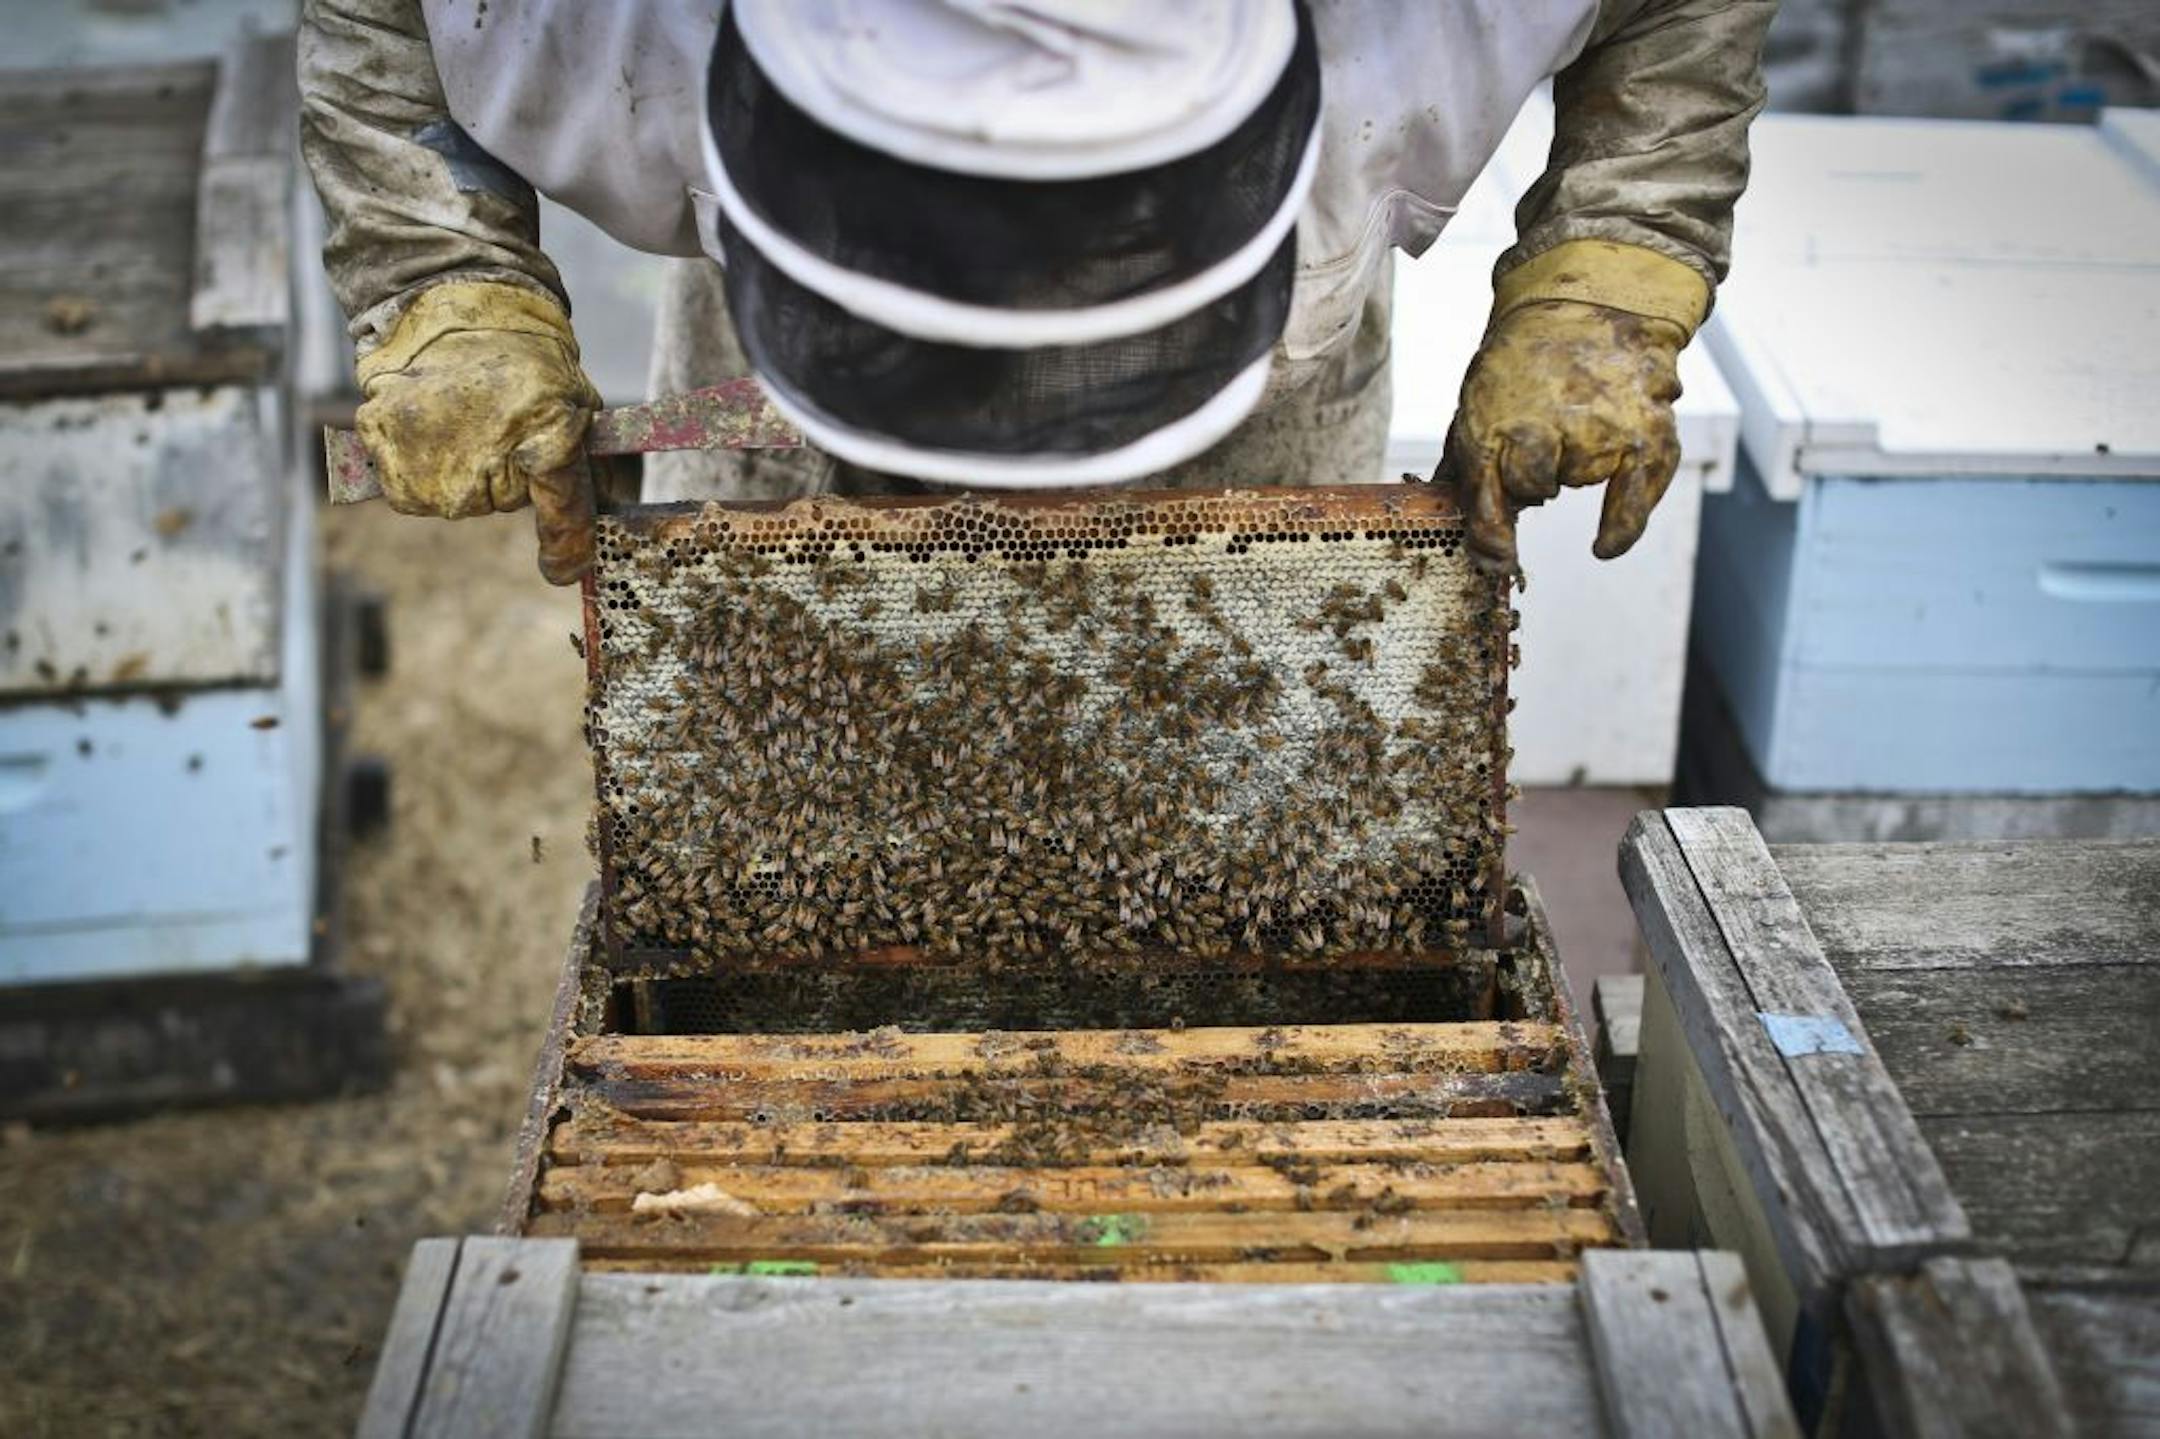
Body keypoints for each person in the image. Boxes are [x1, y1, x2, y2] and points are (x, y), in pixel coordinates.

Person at [301, 0, 1774, 583]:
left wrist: (1606, 281)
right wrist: (449, 284)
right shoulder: (601, 23)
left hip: (1266, 415)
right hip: (781, 421)